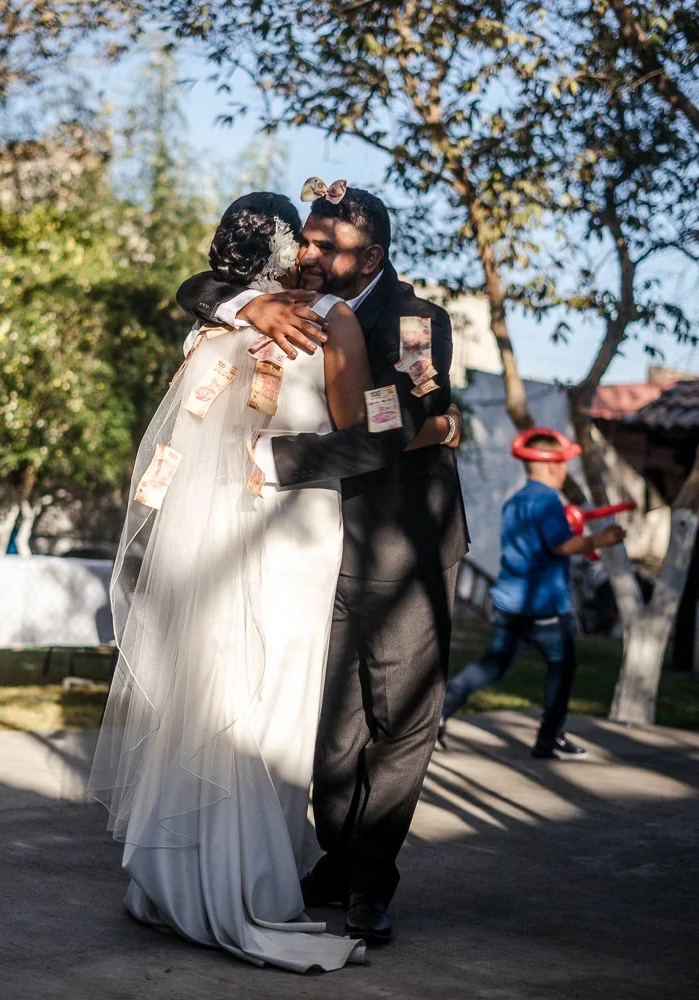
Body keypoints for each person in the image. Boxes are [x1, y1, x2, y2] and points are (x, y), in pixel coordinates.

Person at [88, 192, 455, 972]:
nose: (318, 254)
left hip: (394, 544)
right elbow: (203, 284)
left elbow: (411, 417)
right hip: (288, 534)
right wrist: (251, 302)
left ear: (376, 257)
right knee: (325, 724)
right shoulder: (259, 301)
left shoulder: (417, 321)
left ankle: (368, 880)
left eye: (336, 245)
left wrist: (282, 460)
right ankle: (304, 857)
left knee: (396, 710)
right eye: (311, 239)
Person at [439, 430, 626, 759]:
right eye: (564, 463)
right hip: (545, 607)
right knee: (562, 667)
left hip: (509, 601)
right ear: (553, 466)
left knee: (492, 665)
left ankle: (438, 714)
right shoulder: (549, 501)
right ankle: (549, 739)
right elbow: (562, 545)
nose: (566, 470)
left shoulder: (517, 501)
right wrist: (603, 539)